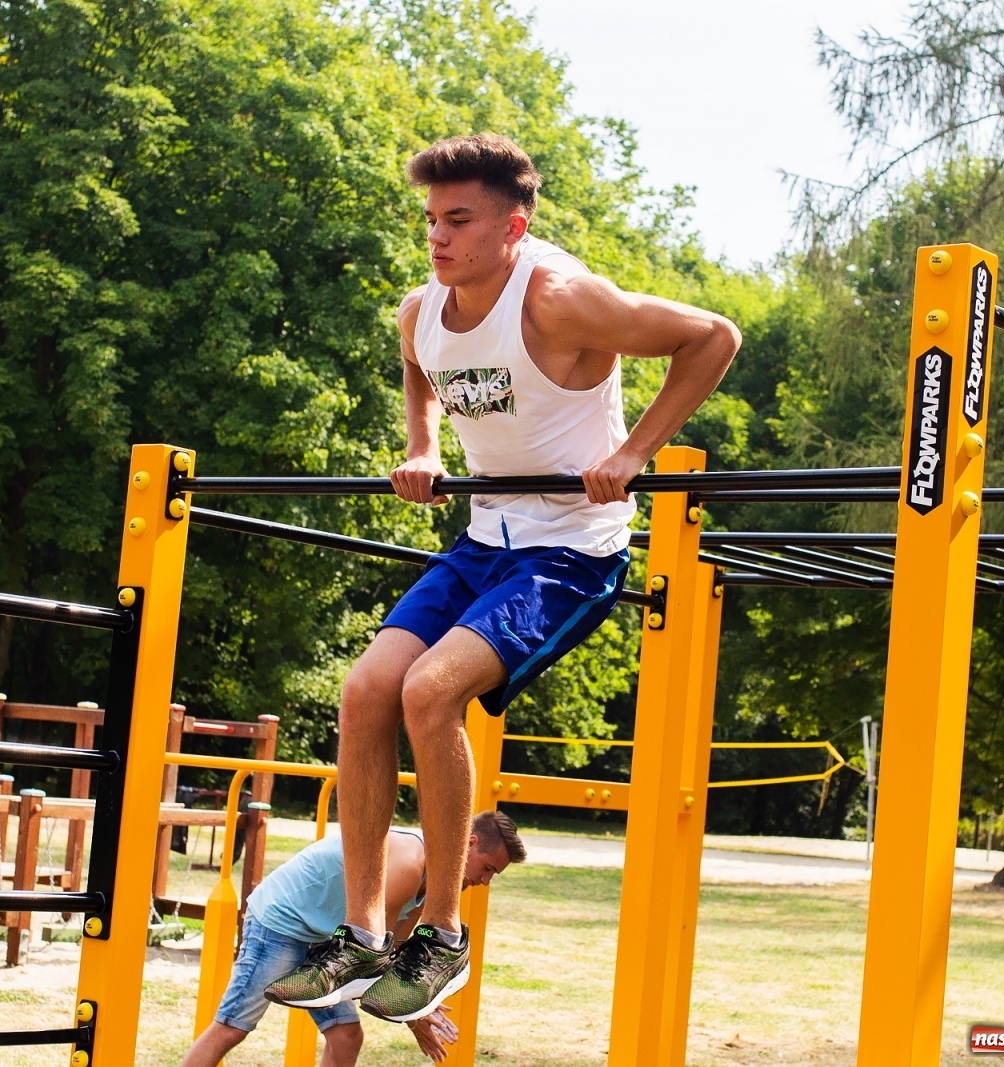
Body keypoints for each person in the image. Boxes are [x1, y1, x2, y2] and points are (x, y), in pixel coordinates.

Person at [270, 132, 741, 1024]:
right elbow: (419, 366)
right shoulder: (421, 309)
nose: (438, 238)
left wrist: (635, 450)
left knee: (428, 689)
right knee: (366, 690)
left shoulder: (561, 301)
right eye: (430, 220)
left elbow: (714, 338)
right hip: (487, 536)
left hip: (572, 547)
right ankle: (365, 933)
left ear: (513, 226)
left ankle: (441, 933)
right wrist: (422, 445)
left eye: (459, 221)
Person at [179, 810, 526, 1067]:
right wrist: (416, 1019)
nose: (485, 882)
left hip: (324, 937)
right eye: (488, 869)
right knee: (232, 1028)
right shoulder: (410, 865)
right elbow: (371, 955)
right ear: (470, 842)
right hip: (281, 922)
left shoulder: (428, 886)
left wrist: (419, 1007)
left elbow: (394, 959)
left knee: (346, 1036)